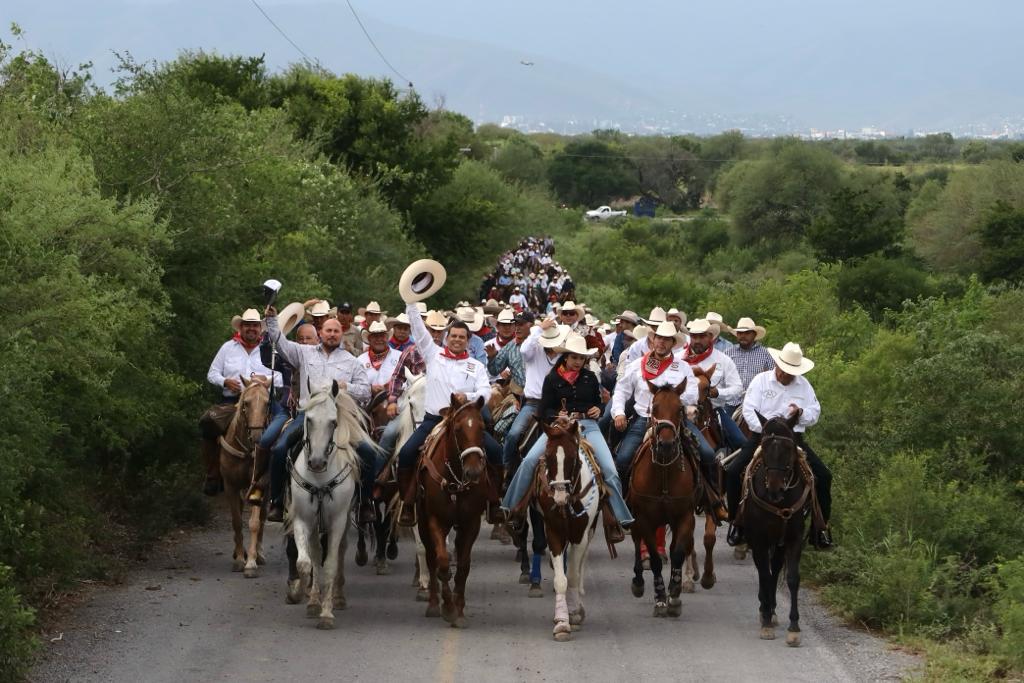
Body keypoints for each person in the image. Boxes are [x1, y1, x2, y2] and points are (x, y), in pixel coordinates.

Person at [502, 333, 633, 542]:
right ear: (565, 357)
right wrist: (556, 416)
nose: (578, 362)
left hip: (587, 426)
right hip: (558, 428)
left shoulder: (590, 378)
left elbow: (598, 403)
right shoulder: (552, 378)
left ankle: (618, 518)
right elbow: (543, 409)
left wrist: (598, 410)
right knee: (528, 461)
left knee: (609, 468)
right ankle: (512, 509)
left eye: (581, 358)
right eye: (574, 358)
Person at [264, 307, 381, 525]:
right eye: (328, 330)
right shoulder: (303, 353)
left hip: (341, 418)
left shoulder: (351, 361)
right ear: (320, 333)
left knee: (368, 452)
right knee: (280, 449)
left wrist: (347, 386)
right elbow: (280, 342)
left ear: (341, 334)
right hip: (308, 415)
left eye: (336, 331)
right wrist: (271, 320)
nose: (332, 334)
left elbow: (366, 391)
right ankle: (277, 501)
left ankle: (365, 504)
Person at [395, 302, 505, 526]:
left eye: (461, 337)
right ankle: (408, 503)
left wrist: (468, 396)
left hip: (466, 422)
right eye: (453, 335)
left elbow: (485, 391)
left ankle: (494, 501)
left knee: (496, 452)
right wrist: (411, 303)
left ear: (468, 340)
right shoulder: (433, 354)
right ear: (446, 337)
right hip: (436, 420)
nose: (456, 339)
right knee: (406, 453)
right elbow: (417, 328)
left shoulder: (475, 365)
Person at [725, 342, 833, 549]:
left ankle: (820, 528)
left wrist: (801, 413)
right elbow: (749, 410)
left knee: (824, 476)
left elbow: (815, 413)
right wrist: (767, 433)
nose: (787, 374)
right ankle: (736, 522)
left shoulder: (804, 385)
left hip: (792, 440)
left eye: (792, 372)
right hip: (762, 438)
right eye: (785, 370)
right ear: (778, 364)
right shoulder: (761, 381)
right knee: (733, 472)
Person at [199, 309, 282, 496]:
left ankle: (277, 480)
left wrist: (266, 381)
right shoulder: (227, 347)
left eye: (255, 325)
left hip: (262, 401)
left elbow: (281, 376)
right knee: (207, 422)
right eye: (247, 325)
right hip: (232, 400)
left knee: (282, 429)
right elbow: (212, 373)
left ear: (260, 328)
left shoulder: (270, 349)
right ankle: (213, 473)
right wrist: (225, 381)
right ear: (241, 327)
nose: (251, 329)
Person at [254, 322, 318, 521]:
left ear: (317, 340)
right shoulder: (288, 357)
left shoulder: (321, 358)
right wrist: (266, 338)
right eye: (301, 339)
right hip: (288, 410)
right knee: (269, 443)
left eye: (309, 338)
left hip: (314, 411)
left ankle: (357, 495)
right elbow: (266, 359)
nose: (305, 342)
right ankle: (266, 490)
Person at [684, 319, 746, 451]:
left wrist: (718, 393)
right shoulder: (678, 358)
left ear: (711, 337)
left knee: (741, 443)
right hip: (680, 410)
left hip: (714, 410)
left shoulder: (723, 360)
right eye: (694, 336)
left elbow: (738, 388)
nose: (697, 340)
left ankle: (728, 470)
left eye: (702, 336)